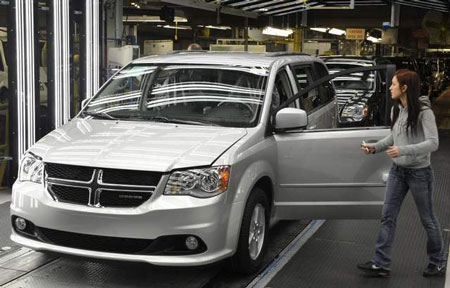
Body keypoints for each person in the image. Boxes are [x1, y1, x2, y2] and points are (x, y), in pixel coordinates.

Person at [358, 69, 446, 278]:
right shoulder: (397, 110)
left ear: (405, 88)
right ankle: (381, 263)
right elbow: (393, 138)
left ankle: (438, 261)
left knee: (428, 219)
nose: (390, 87)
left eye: (394, 84)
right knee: (387, 216)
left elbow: (433, 143)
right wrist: (375, 147)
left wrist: (404, 150)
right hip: (398, 171)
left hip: (419, 174)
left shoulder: (425, 112)